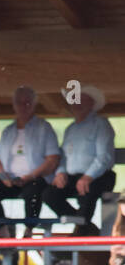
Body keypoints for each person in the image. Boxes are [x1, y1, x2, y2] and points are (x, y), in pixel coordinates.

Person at [0, 86, 60, 234]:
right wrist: (3, 177)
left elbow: (52, 160)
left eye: (27, 103)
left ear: (34, 104)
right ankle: (3, 228)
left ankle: (28, 230)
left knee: (34, 191)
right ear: (13, 105)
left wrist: (30, 176)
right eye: (19, 102)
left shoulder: (44, 128)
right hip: (10, 180)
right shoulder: (8, 131)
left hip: (35, 178)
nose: (23, 106)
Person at [42, 84, 116, 229]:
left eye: (82, 100)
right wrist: (60, 172)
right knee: (49, 194)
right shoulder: (70, 129)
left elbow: (104, 157)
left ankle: (82, 227)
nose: (77, 104)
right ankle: (85, 226)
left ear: (92, 104)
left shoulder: (101, 124)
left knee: (86, 192)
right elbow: (63, 155)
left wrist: (88, 176)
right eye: (75, 100)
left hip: (98, 176)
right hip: (74, 177)